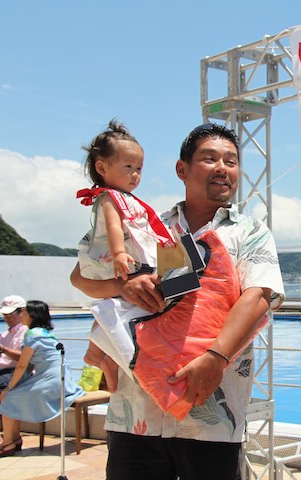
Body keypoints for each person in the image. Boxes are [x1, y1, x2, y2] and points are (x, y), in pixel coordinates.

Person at [70, 123, 284, 480]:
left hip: (212, 420)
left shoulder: (250, 232)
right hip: (134, 415)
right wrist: (123, 286)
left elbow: (259, 296)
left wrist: (215, 358)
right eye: (210, 158)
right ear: (181, 169)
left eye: (231, 161)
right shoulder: (146, 224)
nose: (222, 168)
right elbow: (80, 276)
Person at [76, 119, 175, 393]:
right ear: (102, 168)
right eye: (128, 167)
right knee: (116, 303)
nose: (135, 175)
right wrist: (119, 253)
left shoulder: (126, 198)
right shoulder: (109, 197)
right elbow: (113, 227)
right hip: (117, 260)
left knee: (118, 305)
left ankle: (100, 356)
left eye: (139, 169)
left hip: (128, 260)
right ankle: (96, 354)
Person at [0, 300, 85, 458]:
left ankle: (8, 443)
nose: (21, 315)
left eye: (24, 312)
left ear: (32, 315)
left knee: (8, 396)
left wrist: (10, 386)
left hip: (50, 380)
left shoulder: (32, 334)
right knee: (11, 395)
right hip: (59, 377)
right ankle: (14, 439)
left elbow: (22, 365)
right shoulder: (44, 333)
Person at [0, 295, 29, 453]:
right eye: (5, 315)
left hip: (14, 372)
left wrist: (0, 348)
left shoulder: (27, 333)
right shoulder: (5, 334)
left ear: (22, 312)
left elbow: (24, 359)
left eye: (10, 315)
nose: (7, 318)